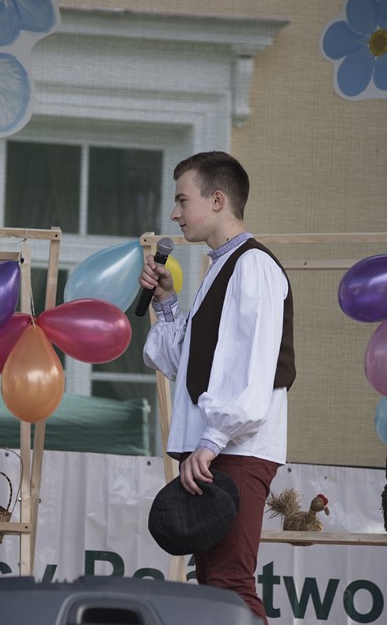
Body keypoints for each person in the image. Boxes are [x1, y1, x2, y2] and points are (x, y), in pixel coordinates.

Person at [141, 151, 294, 623]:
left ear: (218, 199)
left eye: (182, 200)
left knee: (229, 583)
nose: (175, 213)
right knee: (214, 587)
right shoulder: (221, 268)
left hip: (237, 447)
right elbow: (184, 366)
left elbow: (253, 368)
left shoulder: (253, 266)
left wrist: (211, 440)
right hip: (220, 446)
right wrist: (166, 303)